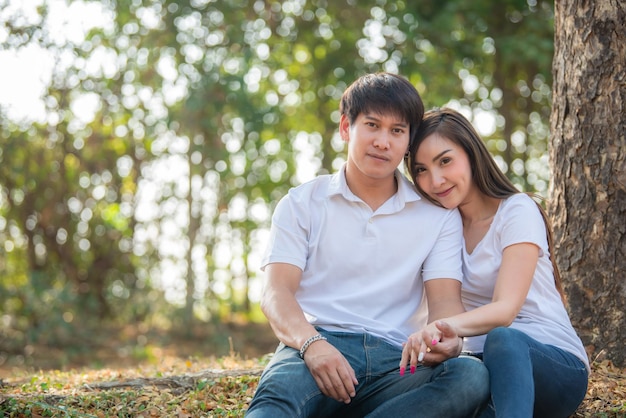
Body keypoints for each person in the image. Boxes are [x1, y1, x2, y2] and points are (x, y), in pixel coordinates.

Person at [245, 74, 489, 418]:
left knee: (469, 376)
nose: (383, 142)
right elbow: (275, 293)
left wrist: (445, 338)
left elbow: (444, 302)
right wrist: (312, 345)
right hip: (317, 348)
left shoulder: (437, 216)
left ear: (408, 142)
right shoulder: (302, 203)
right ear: (346, 127)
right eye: (372, 125)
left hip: (398, 361)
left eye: (397, 131)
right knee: (274, 408)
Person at [400, 107, 589, 418]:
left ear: (471, 154)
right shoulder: (439, 229)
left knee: (504, 338)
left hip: (552, 365)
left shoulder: (516, 211)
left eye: (445, 160)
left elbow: (506, 310)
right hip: (482, 364)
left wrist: (438, 328)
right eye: (420, 169)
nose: (435, 180)